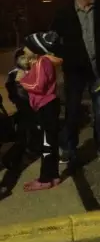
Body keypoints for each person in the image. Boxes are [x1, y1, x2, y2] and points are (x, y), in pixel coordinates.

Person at [52, 0, 100, 164]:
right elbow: (53, 41)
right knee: (73, 110)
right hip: (75, 71)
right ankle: (68, 148)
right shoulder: (64, 13)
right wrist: (68, 53)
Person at [18, 32, 62, 191]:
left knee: (47, 144)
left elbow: (38, 86)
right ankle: (54, 175)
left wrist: (22, 81)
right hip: (46, 106)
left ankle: (45, 179)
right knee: (51, 142)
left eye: (27, 47)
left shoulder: (42, 62)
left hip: (47, 107)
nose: (23, 49)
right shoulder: (39, 61)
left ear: (35, 49)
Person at [3, 49, 39, 167]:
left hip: (34, 105)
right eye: (22, 58)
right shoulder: (13, 74)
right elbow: (10, 89)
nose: (25, 61)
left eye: (26, 58)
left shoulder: (34, 71)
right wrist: (16, 99)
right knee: (25, 129)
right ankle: (24, 152)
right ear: (16, 60)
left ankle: (32, 149)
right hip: (23, 106)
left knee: (34, 128)